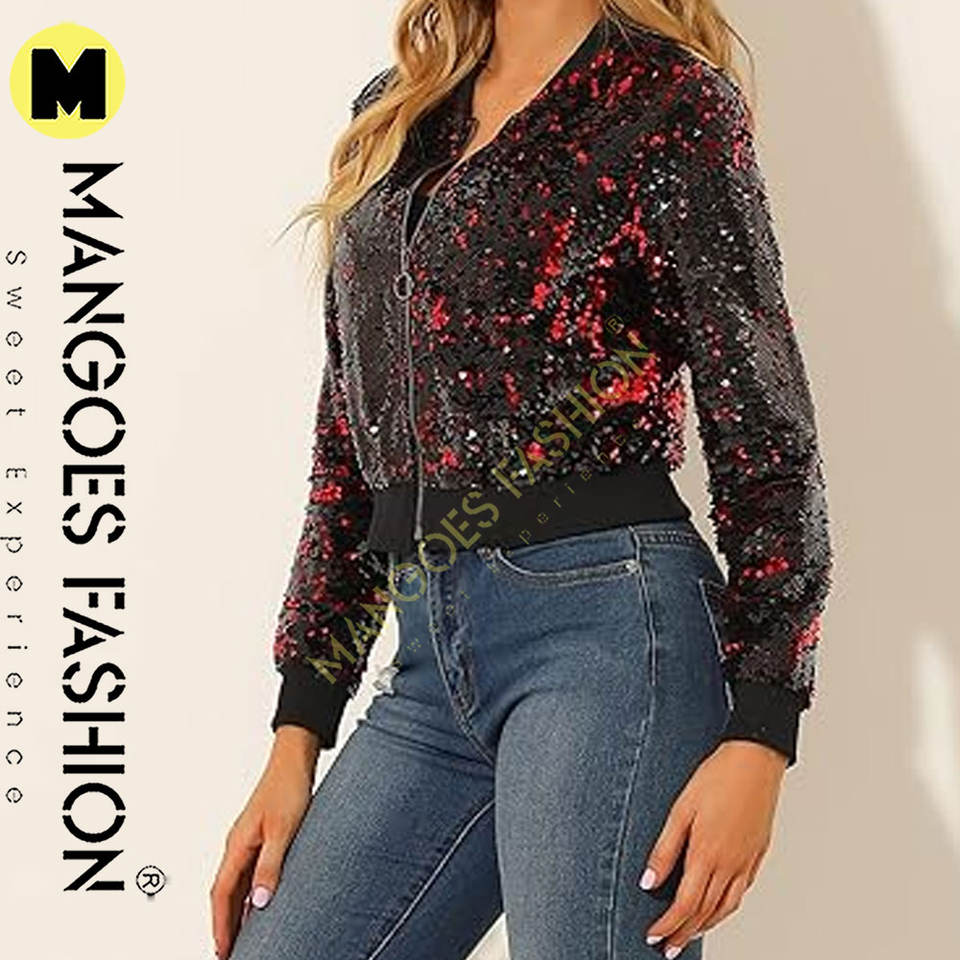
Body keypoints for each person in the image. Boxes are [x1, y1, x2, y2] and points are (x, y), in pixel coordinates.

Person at [211, 2, 834, 958]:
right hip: (428, 663)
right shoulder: (400, 112)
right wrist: (299, 729)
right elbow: (350, 440)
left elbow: (764, 421)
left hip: (611, 644)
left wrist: (763, 727)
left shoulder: (668, 101)